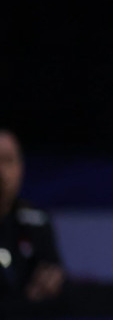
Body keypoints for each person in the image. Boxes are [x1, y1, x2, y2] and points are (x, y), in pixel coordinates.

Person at [0, 128, 69, 319]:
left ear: (20, 168)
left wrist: (53, 283)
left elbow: (54, 276)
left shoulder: (36, 220)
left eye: (7, 160)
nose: (1, 171)